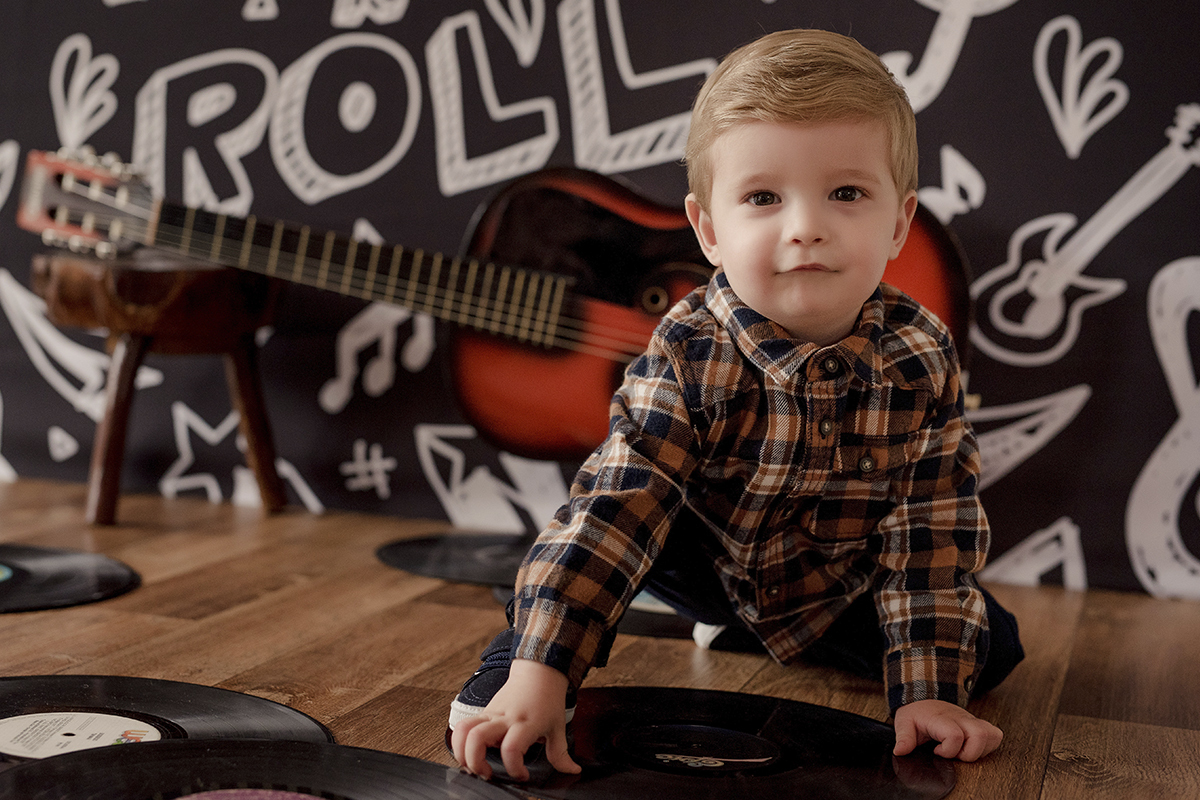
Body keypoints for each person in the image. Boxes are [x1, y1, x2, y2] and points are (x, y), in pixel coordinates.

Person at [449, 27, 1024, 781]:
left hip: (834, 575)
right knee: (608, 539)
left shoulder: (920, 356)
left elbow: (930, 523)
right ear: (710, 231)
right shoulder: (689, 345)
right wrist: (541, 671)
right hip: (695, 553)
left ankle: (756, 635)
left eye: (845, 193)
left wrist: (925, 692)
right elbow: (619, 508)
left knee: (995, 644)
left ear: (898, 223)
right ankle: (521, 660)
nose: (806, 226)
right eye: (763, 197)